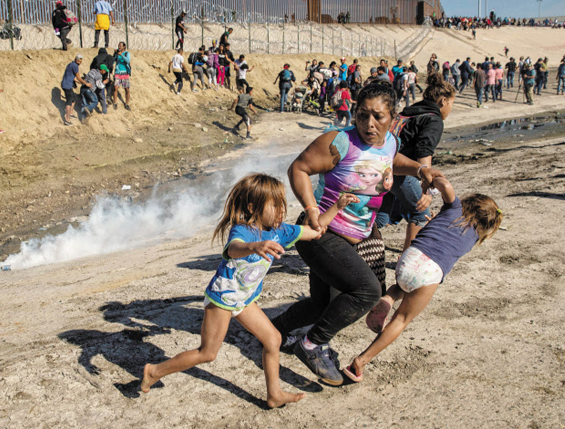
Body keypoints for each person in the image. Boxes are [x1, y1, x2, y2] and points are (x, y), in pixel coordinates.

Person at [269, 82, 444, 385]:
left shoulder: (389, 141)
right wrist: (311, 210)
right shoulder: (339, 142)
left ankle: (273, 332)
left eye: (378, 116)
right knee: (366, 292)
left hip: (357, 235)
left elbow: (392, 160)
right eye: (362, 115)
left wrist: (419, 169)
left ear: (393, 116)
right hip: (322, 233)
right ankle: (312, 344)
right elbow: (298, 168)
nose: (369, 124)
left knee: (321, 304)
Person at [140, 174, 359, 408]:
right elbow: (234, 249)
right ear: (253, 207)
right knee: (208, 353)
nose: (281, 210)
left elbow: (314, 232)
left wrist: (337, 206)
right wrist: (255, 246)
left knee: (273, 339)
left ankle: (273, 394)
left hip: (244, 299)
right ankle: (154, 371)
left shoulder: (281, 231)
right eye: (274, 205)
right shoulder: (243, 231)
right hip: (222, 299)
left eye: (282, 204)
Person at [344, 177, 503, 383]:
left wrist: (427, 186)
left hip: (410, 258)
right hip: (430, 271)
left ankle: (387, 300)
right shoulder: (473, 237)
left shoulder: (453, 209)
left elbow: (444, 185)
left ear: (469, 203)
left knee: (401, 286)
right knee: (401, 319)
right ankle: (361, 361)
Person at [376, 73, 456, 250]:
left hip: (381, 164)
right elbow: (424, 151)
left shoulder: (410, 112)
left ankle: (354, 240)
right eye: (451, 104)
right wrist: (426, 187)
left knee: (382, 217)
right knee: (420, 212)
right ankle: (408, 260)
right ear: (443, 101)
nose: (450, 108)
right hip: (400, 169)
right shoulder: (433, 119)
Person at [61, 54, 91, 125]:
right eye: (79, 60)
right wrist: (85, 83)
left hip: (66, 84)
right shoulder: (75, 66)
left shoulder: (70, 64)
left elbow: (71, 76)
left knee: (74, 99)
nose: (80, 62)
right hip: (67, 86)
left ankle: (70, 113)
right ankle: (67, 120)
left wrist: (78, 81)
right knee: (69, 102)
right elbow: (78, 77)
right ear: (76, 60)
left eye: (80, 60)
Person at [90, 48, 114, 114]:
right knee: (109, 83)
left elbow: (91, 67)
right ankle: (108, 97)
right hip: (105, 73)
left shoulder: (96, 57)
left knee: (97, 87)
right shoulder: (108, 57)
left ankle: (92, 105)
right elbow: (111, 65)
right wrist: (111, 71)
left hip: (97, 74)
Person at [112, 42, 131, 111]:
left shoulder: (126, 54)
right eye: (118, 45)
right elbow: (113, 62)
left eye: (120, 46)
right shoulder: (117, 54)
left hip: (125, 73)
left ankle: (126, 103)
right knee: (116, 87)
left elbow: (128, 60)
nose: (119, 47)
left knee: (127, 89)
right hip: (117, 73)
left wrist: (121, 55)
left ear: (124, 46)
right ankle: (115, 102)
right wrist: (115, 54)